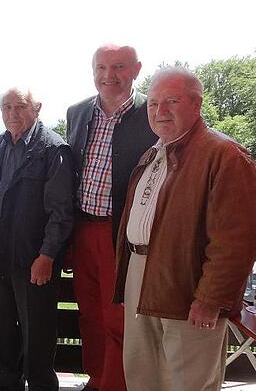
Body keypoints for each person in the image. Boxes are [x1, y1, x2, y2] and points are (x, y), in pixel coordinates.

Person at [113, 68, 256, 390]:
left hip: (187, 285)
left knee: (189, 382)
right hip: (142, 276)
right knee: (143, 376)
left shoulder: (225, 156)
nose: (159, 111)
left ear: (196, 104)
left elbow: (236, 241)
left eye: (171, 101)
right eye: (152, 103)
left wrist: (210, 299)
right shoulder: (155, 151)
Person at [0, 88, 74, 391]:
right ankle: (7, 378)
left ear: (37, 108)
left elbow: (61, 212)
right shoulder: (4, 142)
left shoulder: (53, 149)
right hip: (2, 249)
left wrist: (47, 256)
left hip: (34, 255)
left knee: (37, 326)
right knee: (2, 320)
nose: (12, 114)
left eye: (20, 106)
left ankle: (41, 385)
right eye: (6, 107)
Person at [66, 44, 157, 391]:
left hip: (123, 234)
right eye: (101, 67)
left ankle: (116, 385)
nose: (108, 75)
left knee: (118, 316)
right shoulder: (77, 112)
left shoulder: (151, 112)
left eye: (118, 66)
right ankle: (97, 378)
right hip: (82, 230)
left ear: (136, 69)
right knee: (89, 312)